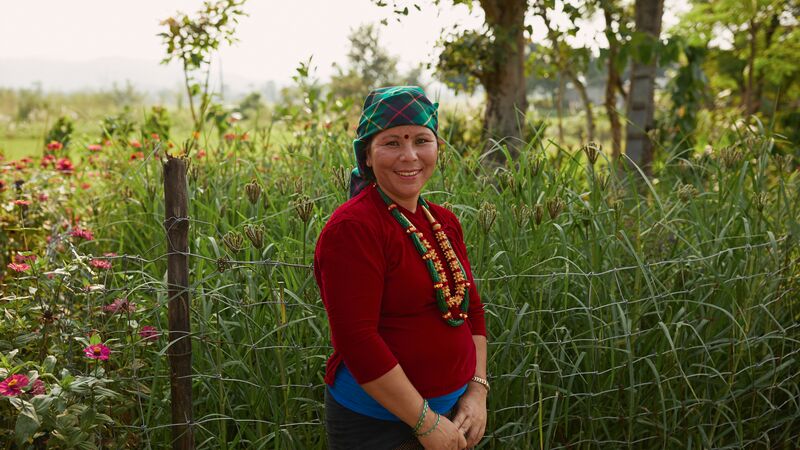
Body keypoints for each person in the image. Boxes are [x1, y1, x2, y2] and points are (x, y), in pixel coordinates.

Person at [314, 86, 489, 450]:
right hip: (379, 427)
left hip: (456, 414)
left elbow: (470, 309)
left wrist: (476, 391)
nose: (409, 156)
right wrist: (426, 425)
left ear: (437, 147)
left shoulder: (444, 221)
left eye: (421, 140)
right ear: (367, 155)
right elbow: (357, 340)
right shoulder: (354, 229)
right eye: (392, 143)